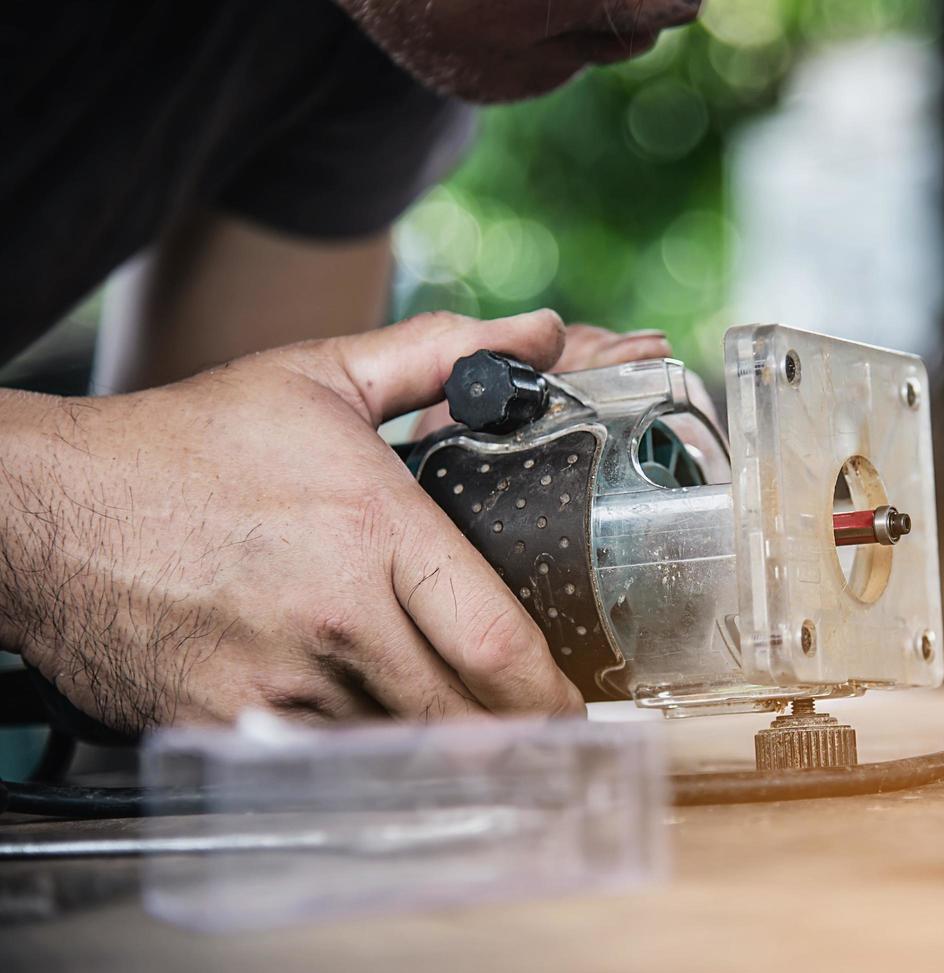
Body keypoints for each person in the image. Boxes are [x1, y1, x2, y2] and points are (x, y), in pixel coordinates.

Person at [0, 0, 703, 734]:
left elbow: (209, 600)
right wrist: (61, 519)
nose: (682, 8)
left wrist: (435, 503)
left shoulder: (383, 38)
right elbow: (134, 525)